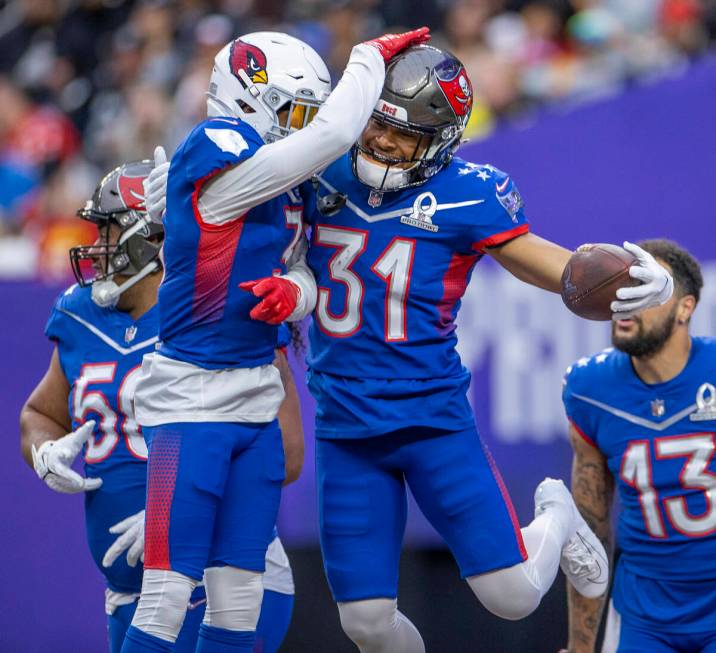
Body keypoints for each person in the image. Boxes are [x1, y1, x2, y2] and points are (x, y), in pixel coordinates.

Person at [144, 43, 673, 653]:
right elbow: (237, 202)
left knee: (512, 596)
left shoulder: (469, 192)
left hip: (430, 417)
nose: (385, 143)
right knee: (365, 624)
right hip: (345, 427)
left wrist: (628, 277)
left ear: (444, 141)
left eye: (406, 134)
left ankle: (554, 515)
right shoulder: (320, 165)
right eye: (377, 122)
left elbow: (539, 261)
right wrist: (176, 202)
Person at [127, 28, 431, 653]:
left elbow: (301, 265)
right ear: (244, 95)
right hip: (190, 398)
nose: (299, 128)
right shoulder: (217, 146)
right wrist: (369, 60)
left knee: (239, 599)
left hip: (257, 397)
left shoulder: (274, 178)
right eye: (292, 111)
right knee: (165, 597)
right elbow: (332, 137)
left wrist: (298, 292)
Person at [19, 161, 301, 653]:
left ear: (149, 241)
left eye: (108, 232)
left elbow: (287, 453)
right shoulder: (78, 313)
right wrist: (45, 452)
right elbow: (39, 415)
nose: (98, 246)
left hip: (216, 578)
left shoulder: (223, 309)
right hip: (129, 592)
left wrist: (178, 510)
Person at [561, 240, 716, 653]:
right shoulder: (590, 389)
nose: (625, 303)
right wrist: (580, 647)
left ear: (684, 307)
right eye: (622, 288)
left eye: (644, 290)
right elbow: (589, 531)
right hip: (644, 612)